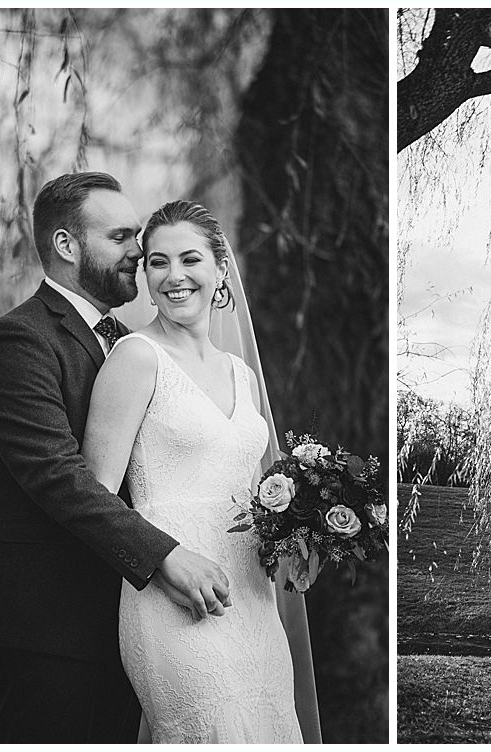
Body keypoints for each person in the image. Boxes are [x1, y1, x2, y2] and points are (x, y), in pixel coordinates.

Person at [0, 172, 237, 742]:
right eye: (121, 237)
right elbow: (59, 477)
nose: (139, 253)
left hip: (124, 622)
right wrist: (166, 556)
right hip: (44, 633)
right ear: (67, 246)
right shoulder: (19, 342)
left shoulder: (124, 340)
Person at [82, 199, 319, 743]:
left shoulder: (241, 374)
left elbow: (258, 493)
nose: (174, 276)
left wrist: (302, 543)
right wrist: (165, 563)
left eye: (189, 259)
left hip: (252, 602)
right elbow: (94, 498)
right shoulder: (135, 358)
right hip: (173, 599)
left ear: (220, 270)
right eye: (157, 263)